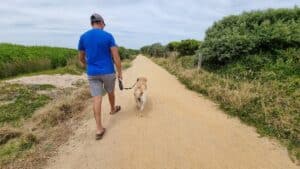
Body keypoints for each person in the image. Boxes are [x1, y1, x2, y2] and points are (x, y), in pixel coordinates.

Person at [78, 13, 122, 140]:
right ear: (101, 23)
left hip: (92, 73)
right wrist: (120, 73)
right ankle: (113, 109)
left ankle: (98, 129)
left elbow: (81, 57)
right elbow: (116, 57)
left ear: (92, 23)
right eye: (104, 24)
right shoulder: (108, 36)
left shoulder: (83, 37)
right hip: (108, 71)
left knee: (96, 98)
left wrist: (88, 64)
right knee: (110, 92)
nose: (104, 26)